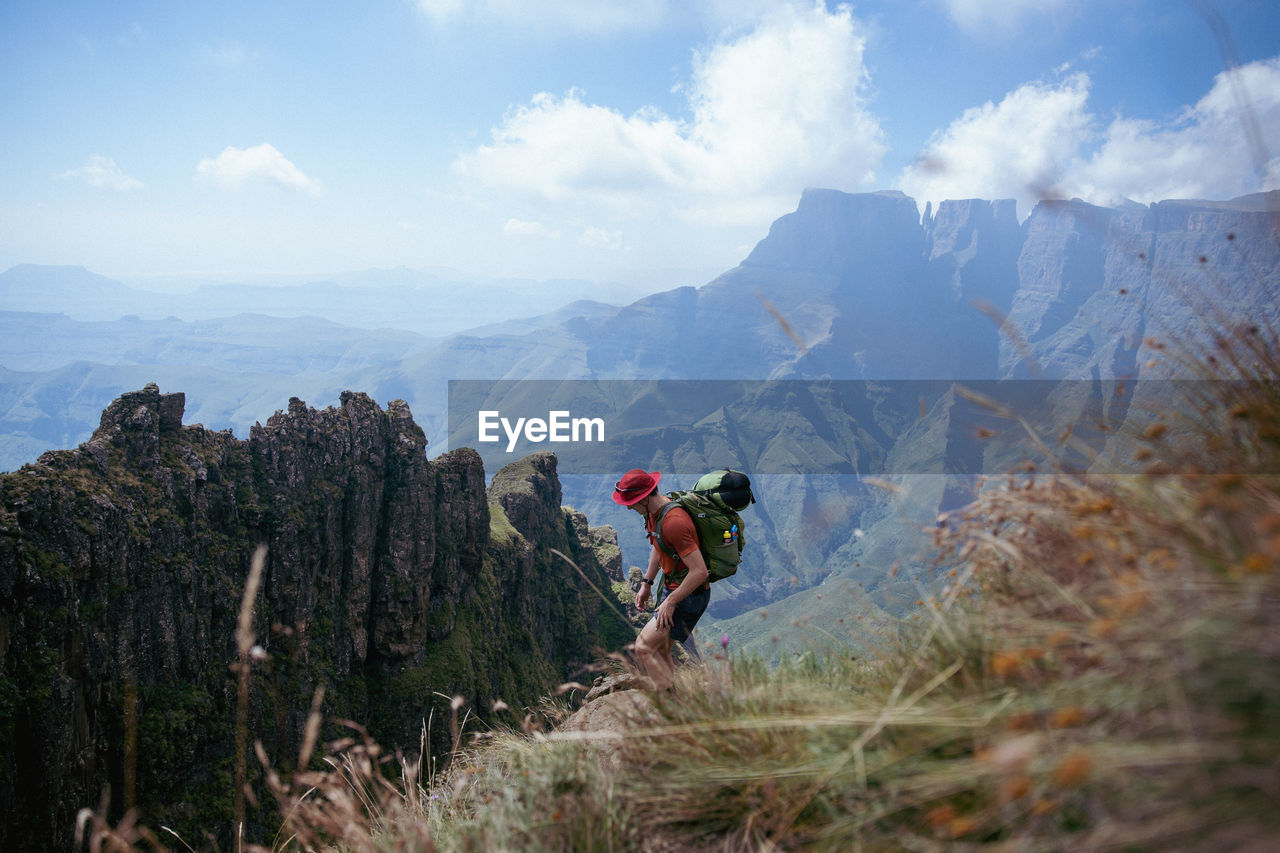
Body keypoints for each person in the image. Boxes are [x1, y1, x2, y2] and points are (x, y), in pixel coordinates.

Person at [612, 468, 710, 692]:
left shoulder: (673, 522)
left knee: (644, 647)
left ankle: (667, 701)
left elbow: (700, 572)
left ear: (646, 497)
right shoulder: (654, 514)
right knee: (660, 649)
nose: (629, 507)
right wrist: (647, 582)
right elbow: (659, 546)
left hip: (690, 594)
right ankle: (673, 698)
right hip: (672, 589)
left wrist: (671, 601)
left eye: (633, 501)